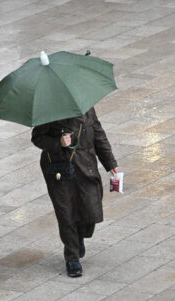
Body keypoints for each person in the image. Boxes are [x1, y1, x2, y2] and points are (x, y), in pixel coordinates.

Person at [32, 107, 118, 277]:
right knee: (66, 212)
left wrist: (111, 163)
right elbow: (37, 138)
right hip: (60, 169)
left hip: (86, 166)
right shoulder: (50, 110)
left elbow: (99, 134)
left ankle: (80, 235)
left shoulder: (87, 108)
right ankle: (72, 258)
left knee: (90, 207)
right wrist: (58, 143)